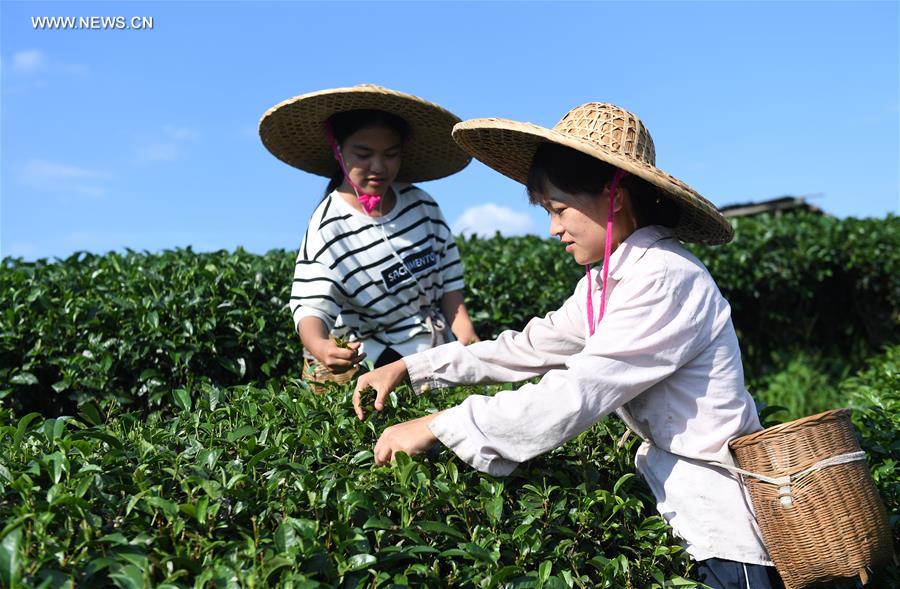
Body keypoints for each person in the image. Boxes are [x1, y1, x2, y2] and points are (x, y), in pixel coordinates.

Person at [352, 103, 783, 588]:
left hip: (725, 535)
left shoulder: (666, 277)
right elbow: (529, 347)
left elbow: (578, 390)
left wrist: (441, 425)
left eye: (559, 209)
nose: (553, 228)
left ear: (612, 194)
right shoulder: (611, 281)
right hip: (685, 516)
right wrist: (414, 368)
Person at [259, 84, 479, 385]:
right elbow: (311, 304)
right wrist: (322, 347)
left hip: (425, 353)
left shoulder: (422, 206)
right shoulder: (329, 225)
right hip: (359, 360)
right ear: (338, 150)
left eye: (391, 154)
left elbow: (449, 278)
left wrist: (465, 331)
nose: (378, 167)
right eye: (363, 154)